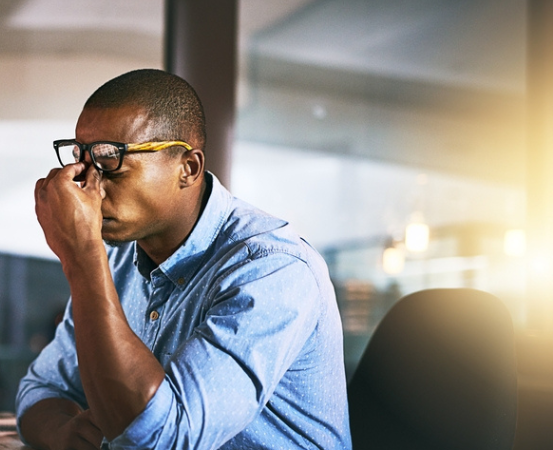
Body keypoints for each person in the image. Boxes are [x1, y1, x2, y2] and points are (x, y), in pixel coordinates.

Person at [17, 69, 351, 450]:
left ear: (188, 168)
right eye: (82, 159)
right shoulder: (117, 257)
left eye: (111, 161)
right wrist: (63, 434)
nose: (87, 186)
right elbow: (40, 388)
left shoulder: (274, 269)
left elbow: (163, 438)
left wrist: (82, 257)